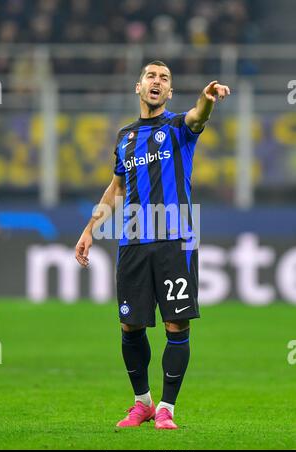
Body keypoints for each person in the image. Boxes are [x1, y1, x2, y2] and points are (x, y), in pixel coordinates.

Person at [75, 60, 230, 430]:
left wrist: (207, 99)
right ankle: (142, 403)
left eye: (164, 78)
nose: (156, 82)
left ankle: (166, 408)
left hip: (176, 240)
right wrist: (89, 229)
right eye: (150, 76)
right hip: (132, 241)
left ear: (170, 91)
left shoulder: (178, 127)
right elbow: (117, 188)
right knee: (131, 326)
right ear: (138, 87)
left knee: (176, 325)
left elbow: (197, 116)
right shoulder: (125, 137)